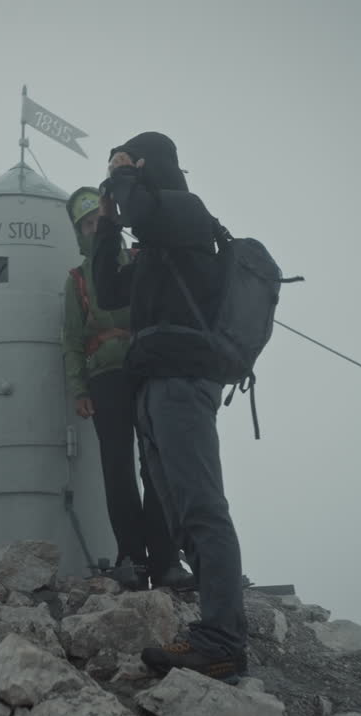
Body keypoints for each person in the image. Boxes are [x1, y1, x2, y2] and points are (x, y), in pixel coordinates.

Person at [91, 132, 248, 682]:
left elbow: (147, 214)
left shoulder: (186, 211)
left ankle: (224, 638)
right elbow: (108, 289)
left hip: (184, 379)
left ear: (151, 164)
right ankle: (220, 631)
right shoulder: (158, 243)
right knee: (182, 512)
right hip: (155, 381)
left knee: (201, 506)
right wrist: (107, 223)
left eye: (129, 163)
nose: (120, 176)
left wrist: (125, 177)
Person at [61, 187, 194, 592]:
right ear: (79, 231)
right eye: (87, 223)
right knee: (117, 469)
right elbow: (71, 340)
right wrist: (79, 388)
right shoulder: (79, 281)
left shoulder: (138, 261)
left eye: (99, 220)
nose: (94, 227)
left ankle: (166, 560)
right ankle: (132, 558)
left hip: (148, 366)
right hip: (106, 376)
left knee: (156, 467)